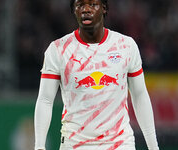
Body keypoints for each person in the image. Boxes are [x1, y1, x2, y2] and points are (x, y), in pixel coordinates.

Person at [34, 0, 159, 150]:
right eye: (80, 5)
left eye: (93, 4)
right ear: (74, 10)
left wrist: (153, 146)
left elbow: (140, 95)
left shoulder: (126, 46)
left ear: (104, 9)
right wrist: (39, 146)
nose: (86, 9)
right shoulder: (58, 50)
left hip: (120, 144)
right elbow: (45, 100)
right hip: (75, 144)